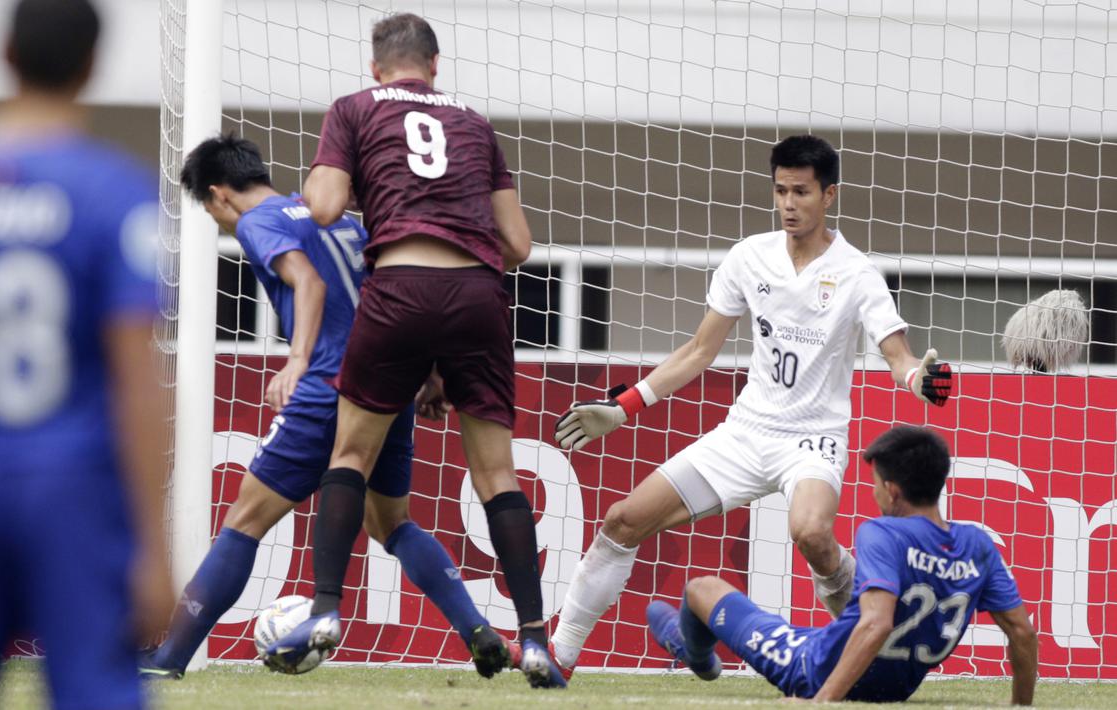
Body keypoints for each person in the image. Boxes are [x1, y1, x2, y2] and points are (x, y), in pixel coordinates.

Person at [549, 134, 954, 675]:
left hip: (812, 440)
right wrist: (624, 406)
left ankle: (873, 655)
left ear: (829, 195)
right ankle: (559, 656)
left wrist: (918, 379)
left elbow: (898, 356)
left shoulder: (857, 274)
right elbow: (700, 350)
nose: (789, 204)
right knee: (623, 519)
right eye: (781, 191)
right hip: (744, 433)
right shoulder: (749, 257)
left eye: (801, 192)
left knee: (812, 535)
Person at [0, 1, 174, 707]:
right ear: (92, 66)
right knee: (96, 691)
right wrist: (154, 549)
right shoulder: (113, 193)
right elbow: (138, 381)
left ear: (5, 53)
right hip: (72, 492)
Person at [140, 133, 511, 679]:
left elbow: (308, 283)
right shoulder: (337, 219)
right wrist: (432, 372)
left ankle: (168, 659)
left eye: (211, 213)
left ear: (218, 194)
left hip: (328, 385)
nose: (219, 222)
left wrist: (296, 361)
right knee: (392, 523)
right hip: (388, 388)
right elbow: (400, 292)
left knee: (245, 520)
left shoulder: (259, 221)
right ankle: (475, 628)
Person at [267, 13, 563, 688]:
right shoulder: (474, 124)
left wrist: (346, 180)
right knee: (497, 474)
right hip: (478, 297)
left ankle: (325, 611)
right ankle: (534, 641)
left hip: (400, 287)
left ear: (376, 68)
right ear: (435, 65)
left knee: (349, 456)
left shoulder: (354, 109)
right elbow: (518, 245)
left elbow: (323, 206)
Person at [646, 426, 1038, 704]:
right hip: (897, 688)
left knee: (701, 589)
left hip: (813, 669)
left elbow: (876, 623)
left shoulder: (883, 533)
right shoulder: (977, 544)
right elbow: (1022, 631)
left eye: (875, 483)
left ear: (892, 491)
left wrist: (821, 701)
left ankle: (696, 656)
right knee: (821, 630)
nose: (874, 492)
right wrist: (1021, 707)